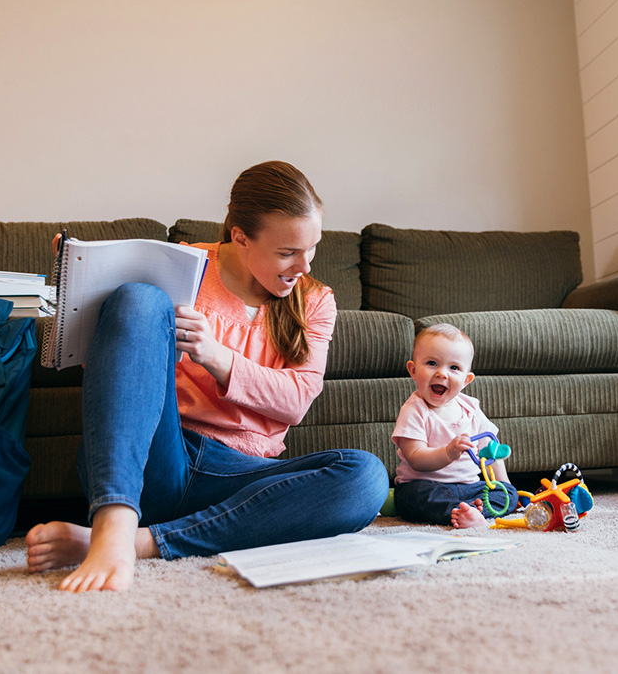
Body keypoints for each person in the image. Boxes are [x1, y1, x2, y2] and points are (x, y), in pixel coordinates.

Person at [25, 161, 389, 592]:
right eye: (287, 252)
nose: (304, 266)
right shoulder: (182, 268)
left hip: (238, 482)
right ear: (240, 237)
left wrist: (217, 356)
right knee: (138, 300)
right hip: (156, 459)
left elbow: (296, 401)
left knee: (365, 477)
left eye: (313, 248)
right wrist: (84, 291)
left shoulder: (314, 300)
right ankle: (114, 519)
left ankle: (135, 542)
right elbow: (116, 381)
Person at [390, 323, 518, 529]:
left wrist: (503, 486)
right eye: (432, 363)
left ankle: (475, 511)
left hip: (469, 487)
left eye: (454, 368)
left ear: (466, 380)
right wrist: (448, 452)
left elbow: (491, 451)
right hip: (427, 486)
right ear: (413, 370)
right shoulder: (414, 410)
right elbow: (415, 458)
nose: (442, 373)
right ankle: (459, 512)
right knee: (410, 498)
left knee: (509, 494)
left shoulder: (471, 407)